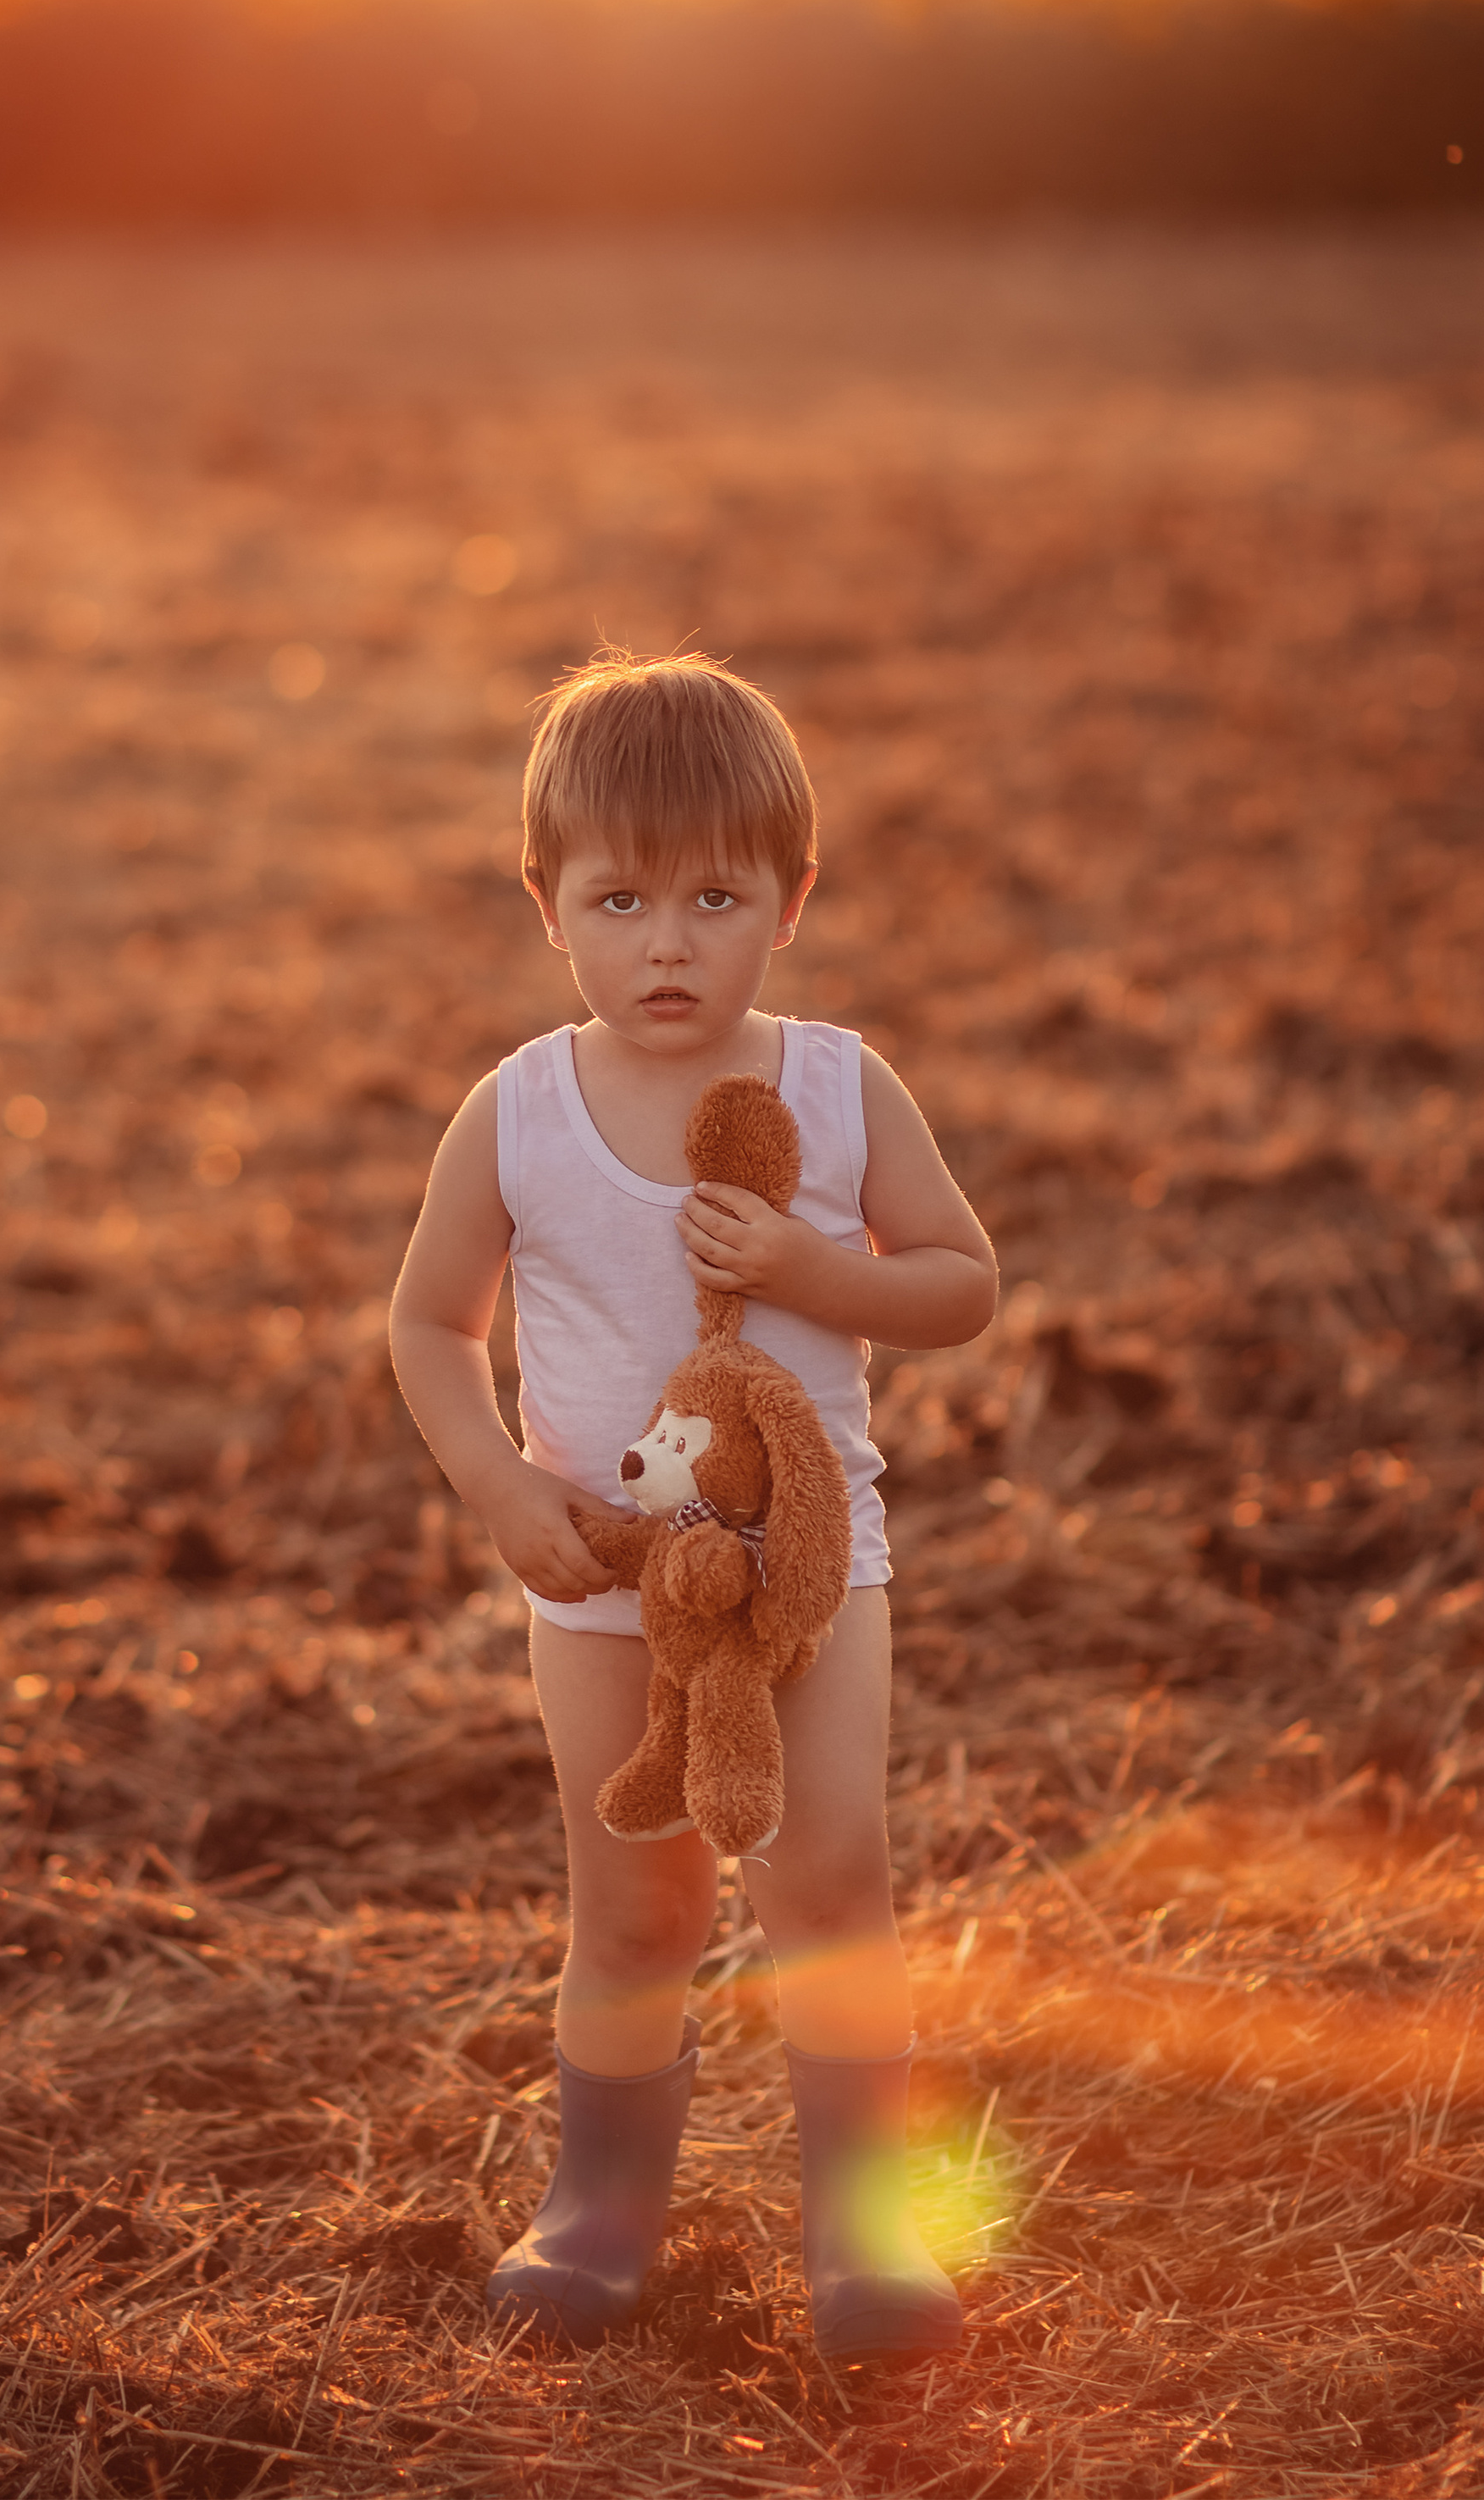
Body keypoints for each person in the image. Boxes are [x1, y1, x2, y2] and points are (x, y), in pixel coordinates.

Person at [389, 649, 998, 2361]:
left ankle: (867, 2233)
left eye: (716, 895)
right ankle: (595, 2218)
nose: (667, 941)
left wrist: (818, 1267)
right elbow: (426, 1326)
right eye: (622, 897)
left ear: (790, 901)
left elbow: (959, 1284)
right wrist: (498, 1484)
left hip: (810, 1575)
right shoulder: (512, 1116)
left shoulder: (832, 1090)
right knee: (635, 1899)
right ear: (547, 904)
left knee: (828, 1879)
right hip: (599, 1577)